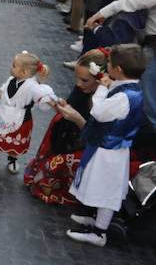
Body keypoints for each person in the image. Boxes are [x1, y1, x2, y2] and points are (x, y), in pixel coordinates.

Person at [55, 44, 146, 247]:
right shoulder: (130, 88)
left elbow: (99, 112)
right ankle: (97, 221)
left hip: (109, 150)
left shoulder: (124, 96)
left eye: (111, 64)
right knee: (102, 187)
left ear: (118, 70)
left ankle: (99, 233)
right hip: (111, 148)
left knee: (105, 190)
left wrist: (102, 89)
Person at [24, 49, 109, 204]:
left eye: (84, 80)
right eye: (77, 78)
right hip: (72, 136)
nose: (78, 83)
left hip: (95, 146)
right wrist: (61, 107)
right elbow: (72, 106)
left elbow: (100, 138)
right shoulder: (82, 88)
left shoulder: (109, 100)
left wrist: (77, 119)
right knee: (57, 120)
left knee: (46, 184)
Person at [0, 52, 57, 173]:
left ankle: (13, 157)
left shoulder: (33, 87)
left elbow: (44, 97)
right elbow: (3, 90)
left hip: (20, 117)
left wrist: (55, 105)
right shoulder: (11, 79)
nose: (11, 67)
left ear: (25, 72)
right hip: (2, 112)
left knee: (14, 138)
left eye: (14, 65)